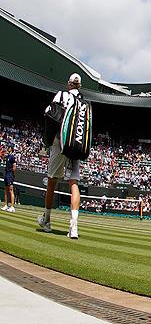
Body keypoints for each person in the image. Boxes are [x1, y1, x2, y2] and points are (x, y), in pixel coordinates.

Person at [38, 73, 86, 239]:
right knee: (74, 183)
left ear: (69, 84)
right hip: (75, 145)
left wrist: (48, 141)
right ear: (79, 86)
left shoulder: (61, 94)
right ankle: (74, 227)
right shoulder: (84, 103)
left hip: (60, 142)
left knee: (52, 181)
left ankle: (47, 221)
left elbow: (49, 113)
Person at [2, 146, 15, 213]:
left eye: (9, 148)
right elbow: (3, 157)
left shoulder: (12, 157)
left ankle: (12, 207)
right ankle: (6, 205)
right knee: (5, 190)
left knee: (11, 190)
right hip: (6, 173)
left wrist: (11, 174)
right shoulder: (7, 157)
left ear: (12, 150)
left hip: (10, 174)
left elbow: (14, 167)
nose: (8, 149)